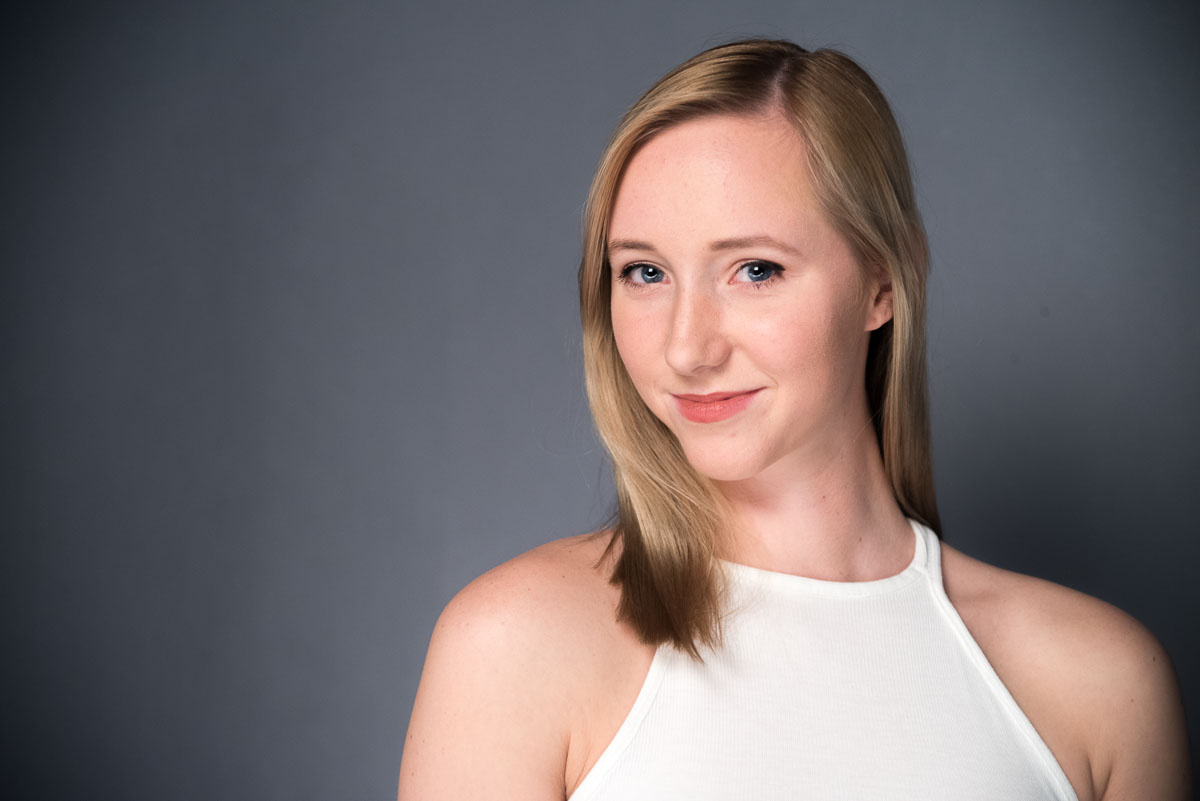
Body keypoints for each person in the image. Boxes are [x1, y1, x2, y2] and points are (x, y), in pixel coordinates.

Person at [396, 39, 1191, 800]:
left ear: (883, 281)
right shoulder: (513, 648)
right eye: (644, 272)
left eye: (755, 270)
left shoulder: (1099, 687)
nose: (686, 347)